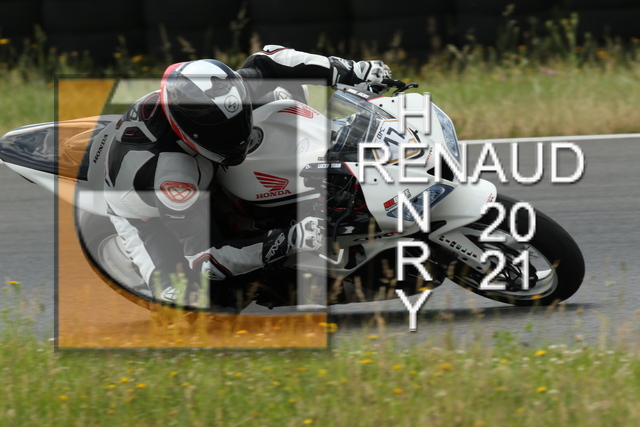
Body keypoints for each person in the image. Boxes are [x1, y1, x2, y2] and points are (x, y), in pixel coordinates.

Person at [102, 45, 393, 307]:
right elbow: (207, 259)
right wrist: (290, 239)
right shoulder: (174, 179)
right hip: (145, 212)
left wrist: (352, 71)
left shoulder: (219, 95)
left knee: (282, 94)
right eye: (222, 134)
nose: (236, 138)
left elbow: (271, 59)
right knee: (191, 305)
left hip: (201, 161)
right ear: (192, 132)